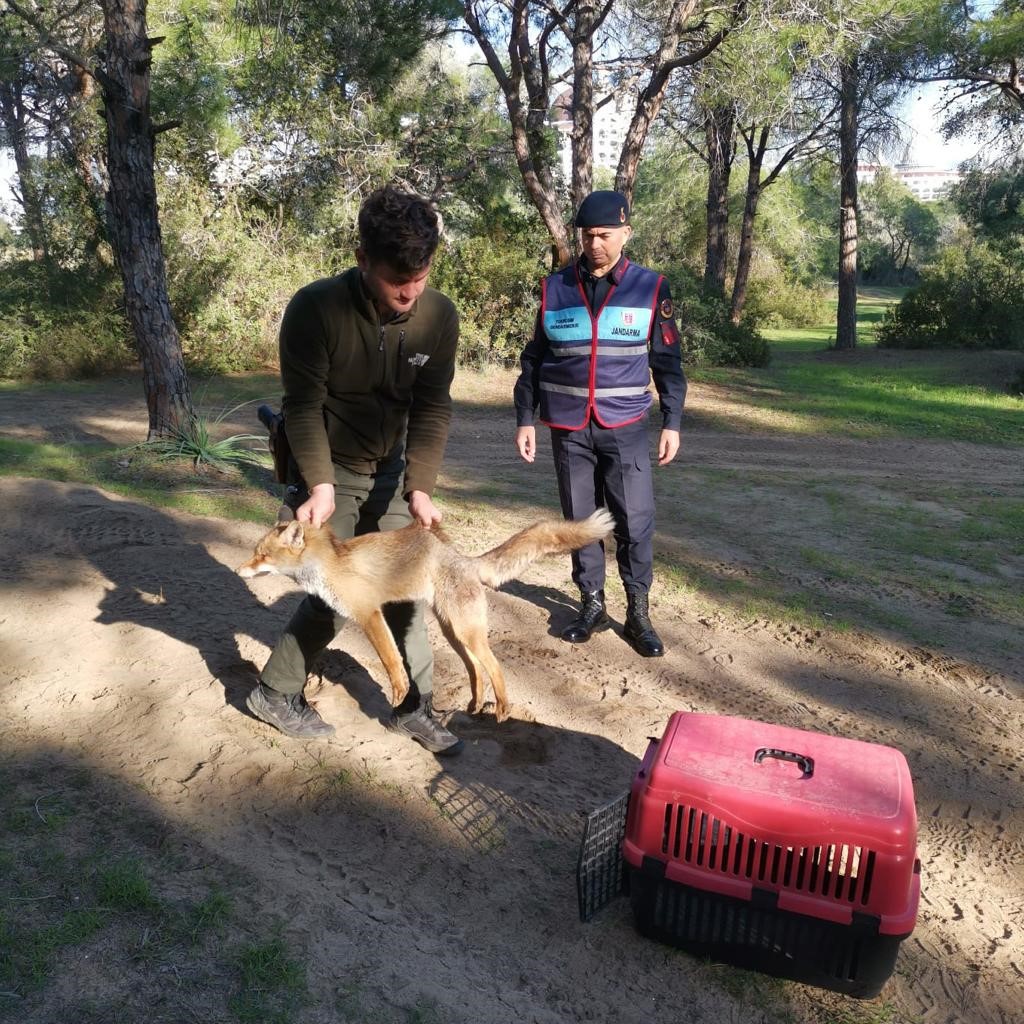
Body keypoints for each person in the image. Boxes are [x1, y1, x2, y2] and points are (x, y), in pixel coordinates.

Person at [246, 184, 463, 755]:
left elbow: (434, 405)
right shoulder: (315, 309)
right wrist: (318, 483)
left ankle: (415, 707)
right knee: (335, 592)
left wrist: (420, 487)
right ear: (363, 258)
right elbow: (303, 406)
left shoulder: (437, 316)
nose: (410, 294)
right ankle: (275, 692)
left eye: (420, 280)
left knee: (409, 586)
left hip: (392, 471)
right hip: (328, 466)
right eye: (398, 282)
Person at [513, 190, 686, 657]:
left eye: (605, 236)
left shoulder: (651, 288)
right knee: (581, 522)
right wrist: (525, 418)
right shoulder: (555, 289)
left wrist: (672, 420)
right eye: (588, 236)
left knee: (635, 520)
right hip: (568, 429)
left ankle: (637, 612)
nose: (596, 245)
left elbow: (667, 361)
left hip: (624, 426)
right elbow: (534, 359)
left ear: (625, 234)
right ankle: (591, 603)